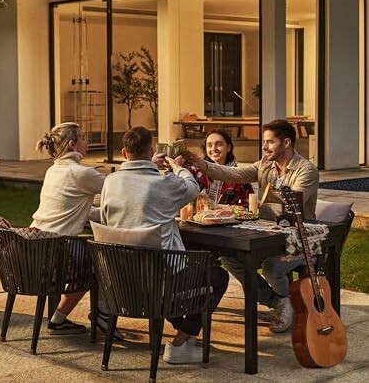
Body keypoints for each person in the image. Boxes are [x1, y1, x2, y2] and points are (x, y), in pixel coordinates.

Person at [101, 126, 229, 364]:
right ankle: (180, 342)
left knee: (187, 270)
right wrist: (177, 167)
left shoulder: (110, 181)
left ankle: (185, 333)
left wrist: (151, 163)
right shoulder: (162, 183)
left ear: (123, 152)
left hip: (122, 279)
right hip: (160, 280)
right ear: (151, 150)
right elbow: (192, 188)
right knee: (218, 276)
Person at [191, 119, 319, 333]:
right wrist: (202, 165)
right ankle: (279, 302)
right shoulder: (265, 165)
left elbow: (293, 199)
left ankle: (288, 303)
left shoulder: (307, 170)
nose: (264, 146)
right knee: (230, 257)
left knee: (272, 267)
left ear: (286, 143)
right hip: (267, 235)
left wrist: (267, 194)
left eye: (269, 142)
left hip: (298, 239)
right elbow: (235, 174)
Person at [31, 122, 104, 335]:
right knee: (100, 265)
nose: (86, 141)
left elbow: (74, 207)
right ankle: (100, 315)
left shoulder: (53, 170)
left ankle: (61, 318)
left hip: (34, 248)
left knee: (91, 258)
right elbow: (121, 188)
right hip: (56, 251)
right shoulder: (81, 173)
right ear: (72, 144)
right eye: (83, 138)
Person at [183, 128, 253, 206]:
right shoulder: (195, 172)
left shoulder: (240, 175)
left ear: (229, 147)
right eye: (209, 145)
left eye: (219, 144)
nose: (213, 148)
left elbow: (249, 206)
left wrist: (231, 209)